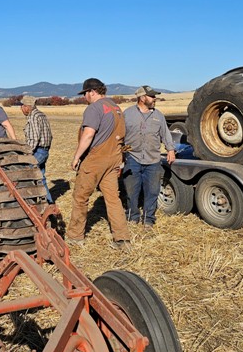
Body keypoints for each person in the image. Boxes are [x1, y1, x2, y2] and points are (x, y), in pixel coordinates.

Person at [68, 78, 131, 249]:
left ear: (92, 92)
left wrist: (76, 157)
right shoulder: (115, 107)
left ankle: (75, 237)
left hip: (96, 159)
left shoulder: (94, 108)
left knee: (80, 197)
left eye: (85, 94)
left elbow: (88, 134)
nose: (85, 97)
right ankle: (122, 239)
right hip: (114, 158)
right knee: (113, 199)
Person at [122, 85, 176, 228]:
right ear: (142, 98)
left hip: (153, 159)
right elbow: (120, 136)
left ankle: (148, 219)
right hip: (132, 157)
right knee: (131, 190)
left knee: (152, 191)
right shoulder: (127, 114)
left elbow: (165, 133)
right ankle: (133, 216)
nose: (154, 98)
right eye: (151, 96)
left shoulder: (158, 115)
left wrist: (170, 149)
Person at [19, 96, 54, 204]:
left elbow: (34, 138)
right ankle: (48, 203)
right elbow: (49, 135)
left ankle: (28, 202)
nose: (21, 108)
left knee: (25, 174)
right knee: (40, 178)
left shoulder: (33, 117)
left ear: (27, 107)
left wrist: (27, 153)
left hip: (37, 151)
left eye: (22, 106)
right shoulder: (41, 115)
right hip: (44, 150)